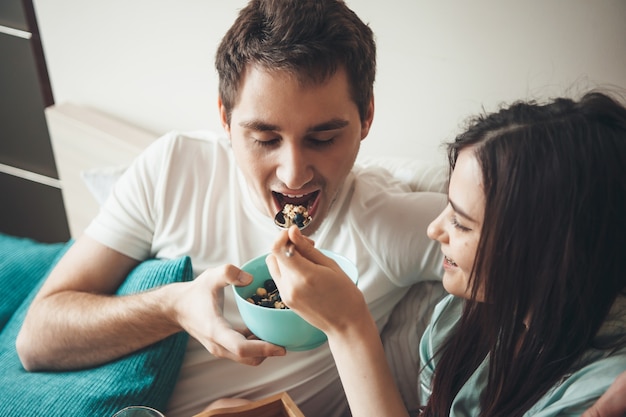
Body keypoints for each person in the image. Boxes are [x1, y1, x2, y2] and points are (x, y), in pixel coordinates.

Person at [15, 1, 446, 416]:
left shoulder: (392, 225)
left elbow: (508, 247)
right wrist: (174, 307)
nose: (294, 176)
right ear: (224, 118)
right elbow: (36, 341)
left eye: (323, 138)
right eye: (265, 138)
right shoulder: (174, 167)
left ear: (366, 117)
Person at [266, 91, 626, 416]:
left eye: (462, 223)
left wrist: (348, 327)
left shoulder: (600, 392)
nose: (434, 230)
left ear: (551, 250)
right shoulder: (458, 320)